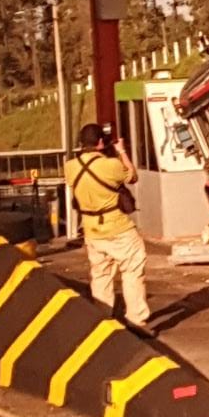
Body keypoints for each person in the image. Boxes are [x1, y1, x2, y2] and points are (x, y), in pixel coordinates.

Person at [65, 123, 152, 334]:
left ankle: (102, 320)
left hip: (91, 229)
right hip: (118, 227)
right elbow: (132, 176)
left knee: (101, 273)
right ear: (101, 142)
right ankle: (136, 320)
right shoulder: (111, 165)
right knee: (132, 269)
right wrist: (121, 151)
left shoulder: (70, 167)